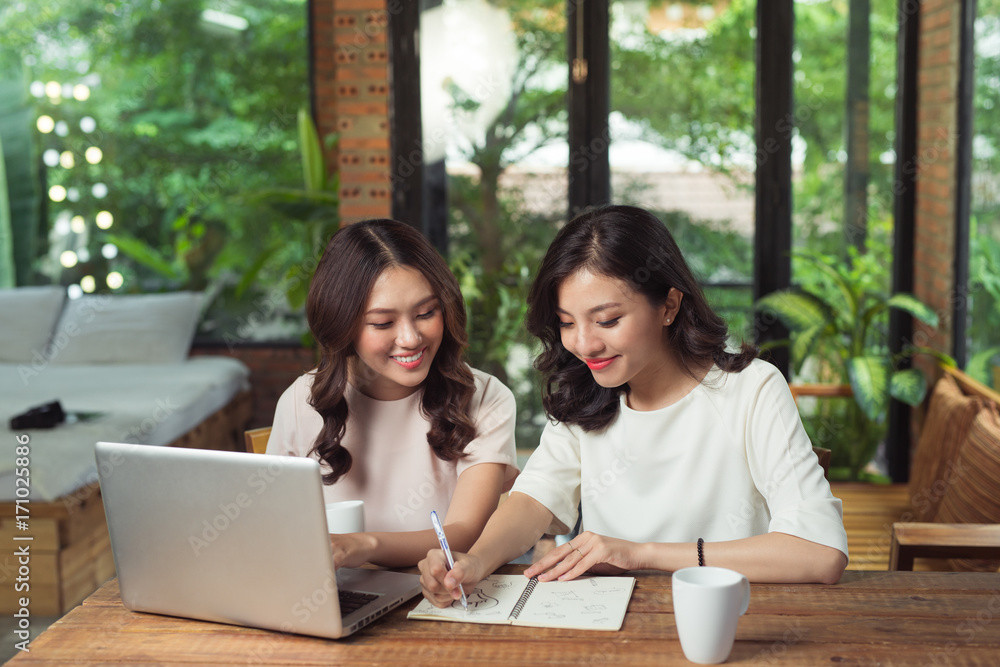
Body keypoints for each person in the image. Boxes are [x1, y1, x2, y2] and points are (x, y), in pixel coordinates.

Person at [419, 204, 849, 607]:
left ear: (669, 305)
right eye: (567, 323)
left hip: (721, 619)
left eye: (607, 320)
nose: (584, 344)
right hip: (609, 623)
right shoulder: (584, 390)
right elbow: (532, 501)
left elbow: (819, 553)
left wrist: (640, 553)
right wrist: (475, 562)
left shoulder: (751, 390)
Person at [267, 219, 518, 569]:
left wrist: (365, 545)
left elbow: (462, 533)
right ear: (343, 324)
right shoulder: (300, 402)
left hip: (436, 598)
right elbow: (275, 532)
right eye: (383, 323)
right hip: (334, 599)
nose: (411, 338)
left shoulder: (485, 397)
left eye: (426, 313)